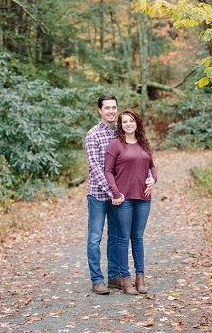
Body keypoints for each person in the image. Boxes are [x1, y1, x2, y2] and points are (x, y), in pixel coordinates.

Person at [104, 108, 158, 295]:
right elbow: (108, 171)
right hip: (124, 198)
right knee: (122, 238)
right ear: (121, 125)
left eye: (131, 120)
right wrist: (115, 192)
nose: (128, 124)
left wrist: (153, 179)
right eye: (124, 121)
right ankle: (125, 279)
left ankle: (140, 278)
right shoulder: (115, 145)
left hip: (143, 198)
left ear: (137, 123)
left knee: (138, 237)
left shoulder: (144, 144)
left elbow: (152, 167)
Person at [84, 95, 124, 295]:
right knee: (95, 237)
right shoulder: (93, 135)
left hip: (118, 196)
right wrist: (112, 191)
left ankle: (115, 276)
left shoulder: (121, 132)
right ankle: (97, 280)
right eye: (107, 107)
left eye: (114, 107)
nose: (111, 111)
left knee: (116, 237)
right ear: (99, 110)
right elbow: (96, 168)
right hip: (99, 195)